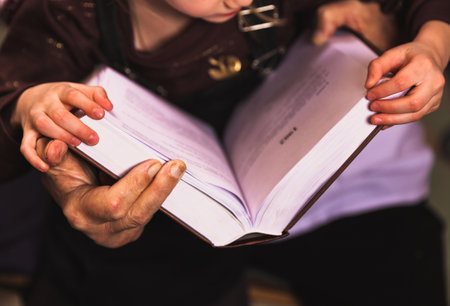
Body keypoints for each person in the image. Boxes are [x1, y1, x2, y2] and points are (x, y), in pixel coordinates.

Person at [0, 0, 449, 305]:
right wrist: (29, 104)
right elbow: (15, 93)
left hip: (323, 185)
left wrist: (430, 45)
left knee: (399, 267)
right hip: (158, 214)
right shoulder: (66, 16)